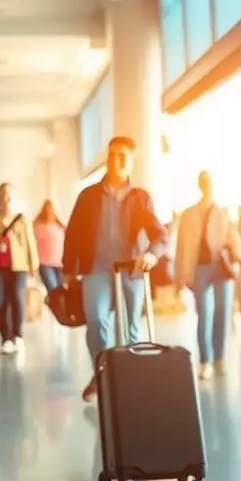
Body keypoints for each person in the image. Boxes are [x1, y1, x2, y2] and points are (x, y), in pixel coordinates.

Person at [63, 136, 168, 402]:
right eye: (112, 155)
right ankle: (102, 375)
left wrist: (152, 255)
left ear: (131, 161)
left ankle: (129, 377)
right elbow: (73, 234)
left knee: (131, 328)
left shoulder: (140, 197)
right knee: (97, 323)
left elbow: (160, 236)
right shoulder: (88, 196)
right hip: (96, 269)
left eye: (123, 155)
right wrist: (67, 269)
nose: (116, 160)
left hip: (130, 270)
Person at [175, 172, 241, 380]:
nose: (207, 186)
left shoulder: (223, 213)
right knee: (204, 314)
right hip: (199, 268)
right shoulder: (189, 214)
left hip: (221, 268)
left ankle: (219, 358)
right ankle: (205, 361)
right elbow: (181, 247)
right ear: (200, 185)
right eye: (204, 182)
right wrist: (178, 276)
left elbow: (235, 239)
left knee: (222, 313)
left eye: (210, 183)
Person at [0, 184, 39, 355]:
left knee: (17, 299)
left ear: (12, 198)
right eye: (2, 195)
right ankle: (5, 339)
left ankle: (18, 336)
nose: (5, 198)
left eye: (8, 195)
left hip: (18, 267)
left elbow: (30, 243)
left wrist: (34, 265)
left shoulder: (21, 219)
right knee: (0, 300)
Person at [34, 200, 65, 297]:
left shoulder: (60, 227)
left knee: (61, 292)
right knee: (53, 291)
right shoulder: (37, 226)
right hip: (45, 264)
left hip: (60, 265)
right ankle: (57, 311)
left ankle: (61, 311)